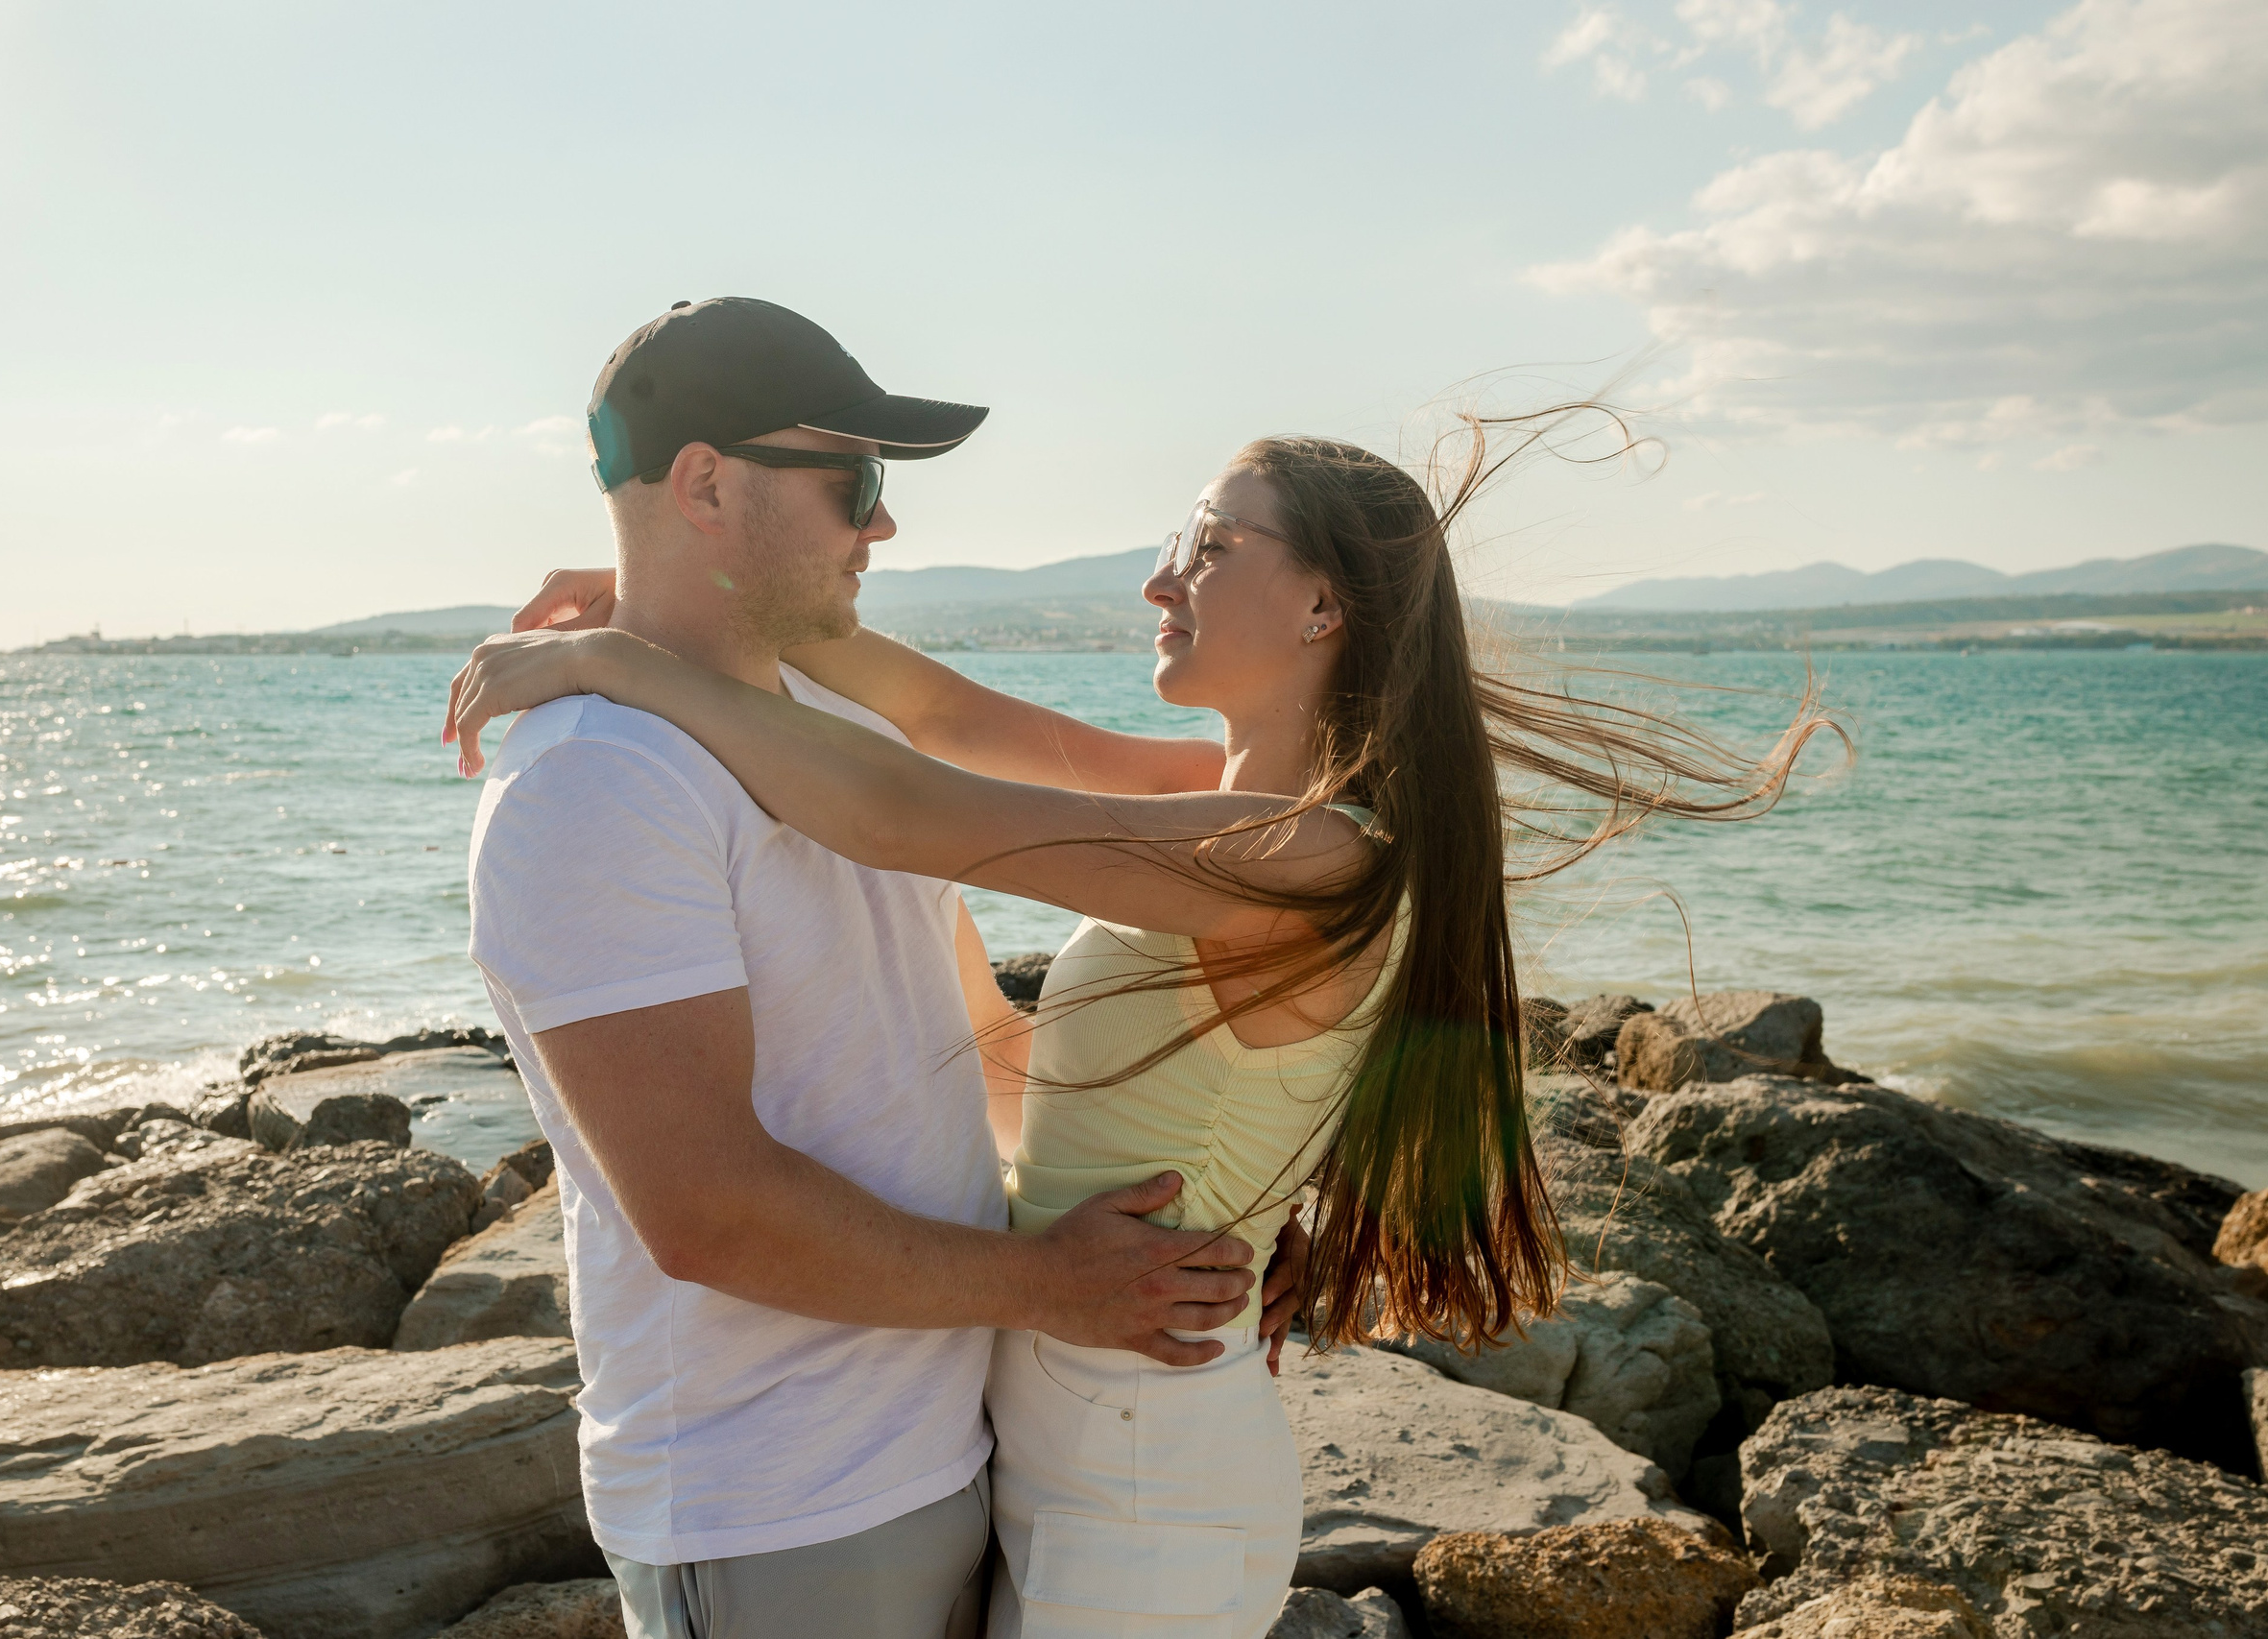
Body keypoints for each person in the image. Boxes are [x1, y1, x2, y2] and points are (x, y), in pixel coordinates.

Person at [451, 414, 1833, 1634]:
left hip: (1141, 1470)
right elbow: (938, 720)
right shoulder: (1229, 810)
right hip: (1074, 1439)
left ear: (1324, 605)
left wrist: (628, 666)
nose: (1161, 579)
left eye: (1212, 547)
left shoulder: (1311, 858)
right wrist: (695, 606)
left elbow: (904, 809)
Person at [458, 298, 1310, 1639]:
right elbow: (706, 1211)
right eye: (852, 484)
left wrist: (1224, 1199)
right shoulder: (597, 780)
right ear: (705, 484)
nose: (886, 524)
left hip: (955, 1447)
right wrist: (1052, 1286)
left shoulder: (834, 732)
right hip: (774, 1503)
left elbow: (964, 1046)